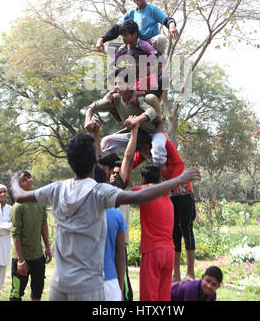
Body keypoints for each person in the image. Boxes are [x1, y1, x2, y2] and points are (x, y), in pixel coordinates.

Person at [10, 125, 201, 301]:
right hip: (88, 287)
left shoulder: (56, 189)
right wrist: (179, 179)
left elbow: (19, 196)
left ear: (69, 161)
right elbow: (140, 197)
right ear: (95, 160)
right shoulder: (99, 192)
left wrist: (14, 179)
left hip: (59, 284)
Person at [134, 130, 196, 281]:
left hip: (183, 192)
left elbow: (179, 165)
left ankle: (190, 272)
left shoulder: (166, 145)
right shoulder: (143, 151)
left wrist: (168, 183)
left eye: (147, 150)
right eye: (143, 152)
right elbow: (131, 163)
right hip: (168, 194)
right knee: (174, 231)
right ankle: (176, 273)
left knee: (186, 229)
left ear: (151, 144)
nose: (147, 154)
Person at [85, 67, 167, 167]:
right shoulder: (114, 99)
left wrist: (137, 119)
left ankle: (158, 178)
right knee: (107, 141)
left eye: (120, 84)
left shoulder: (137, 98)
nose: (116, 87)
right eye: (115, 84)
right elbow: (91, 107)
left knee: (159, 148)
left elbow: (151, 112)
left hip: (152, 133)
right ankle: (113, 170)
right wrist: (88, 121)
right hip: (134, 134)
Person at [95, 0, 178, 54]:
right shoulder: (131, 13)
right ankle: (126, 62)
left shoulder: (153, 10)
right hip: (135, 44)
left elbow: (167, 20)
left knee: (161, 38)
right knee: (109, 47)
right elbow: (116, 28)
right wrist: (102, 39)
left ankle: (157, 58)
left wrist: (171, 26)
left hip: (150, 43)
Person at [133, 164, 175, 301]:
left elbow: (125, 187)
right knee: (163, 296)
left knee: (148, 297)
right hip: (169, 251)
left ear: (143, 179)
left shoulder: (144, 193)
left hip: (153, 251)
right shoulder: (167, 197)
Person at [10, 171, 52, 302]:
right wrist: (21, 261)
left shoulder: (40, 202)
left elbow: (43, 225)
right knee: (16, 294)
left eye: (29, 177)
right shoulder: (18, 207)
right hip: (21, 259)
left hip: (38, 257)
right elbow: (15, 234)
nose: (29, 180)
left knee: (37, 293)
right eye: (24, 180)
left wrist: (47, 248)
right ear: (18, 186)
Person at [94, 165, 128, 302]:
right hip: (110, 282)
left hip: (82, 282)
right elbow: (120, 256)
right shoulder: (116, 214)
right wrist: (120, 287)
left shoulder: (76, 213)